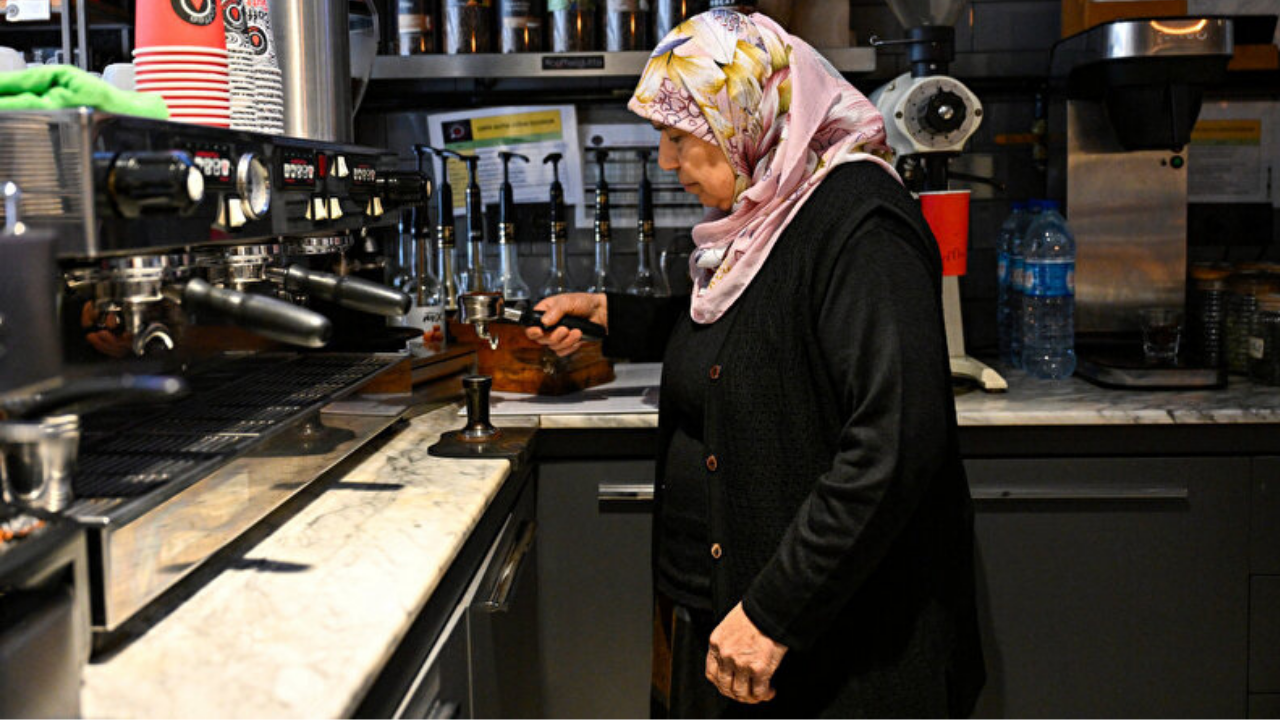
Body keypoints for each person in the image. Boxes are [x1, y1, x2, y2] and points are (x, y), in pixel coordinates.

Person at [526, 8, 985, 718]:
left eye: (681, 137)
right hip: (736, 622)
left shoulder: (861, 223)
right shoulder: (770, 217)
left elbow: (894, 442)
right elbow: (756, 331)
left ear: (748, 116)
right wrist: (612, 315)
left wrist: (775, 610)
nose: (668, 163)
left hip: (829, 649)